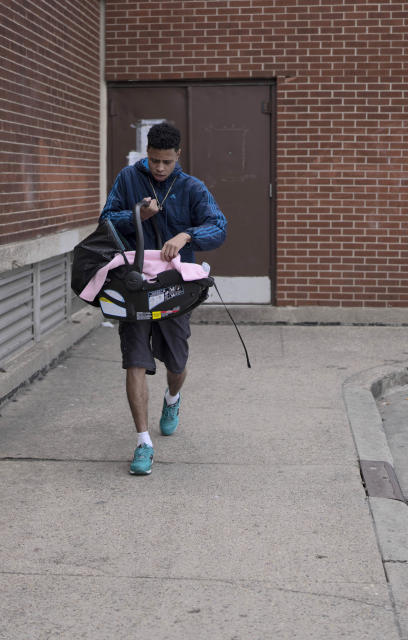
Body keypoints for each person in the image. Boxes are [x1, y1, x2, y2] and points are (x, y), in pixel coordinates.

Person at [99, 122, 227, 475]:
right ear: (147, 153)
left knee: (176, 362)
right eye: (154, 160)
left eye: (166, 162)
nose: (159, 168)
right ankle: (143, 443)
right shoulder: (128, 179)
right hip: (134, 284)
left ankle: (172, 400)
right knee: (134, 361)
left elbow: (219, 226)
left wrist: (187, 235)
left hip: (175, 287)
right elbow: (106, 220)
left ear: (178, 157)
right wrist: (136, 216)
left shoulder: (191, 187)